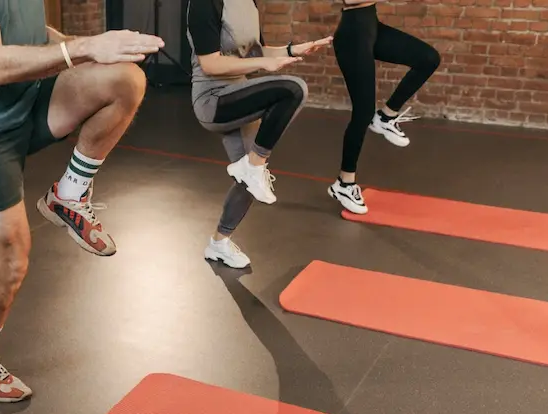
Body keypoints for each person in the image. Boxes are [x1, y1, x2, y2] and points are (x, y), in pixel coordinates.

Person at [0, 0, 163, 402]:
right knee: (12, 262)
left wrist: (89, 44)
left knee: (126, 79)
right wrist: (86, 49)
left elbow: (33, 35)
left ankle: (69, 194)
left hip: (31, 101)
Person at [186, 0, 332, 268]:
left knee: (250, 182)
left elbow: (253, 54)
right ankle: (254, 166)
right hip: (213, 99)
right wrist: (266, 64)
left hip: (239, 91)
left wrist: (290, 49)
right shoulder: (205, 3)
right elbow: (210, 64)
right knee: (293, 89)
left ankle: (219, 243)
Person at [329, 0, 441, 214]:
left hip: (370, 26)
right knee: (363, 112)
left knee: (428, 58)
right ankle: (344, 184)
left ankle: (386, 116)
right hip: (353, 33)